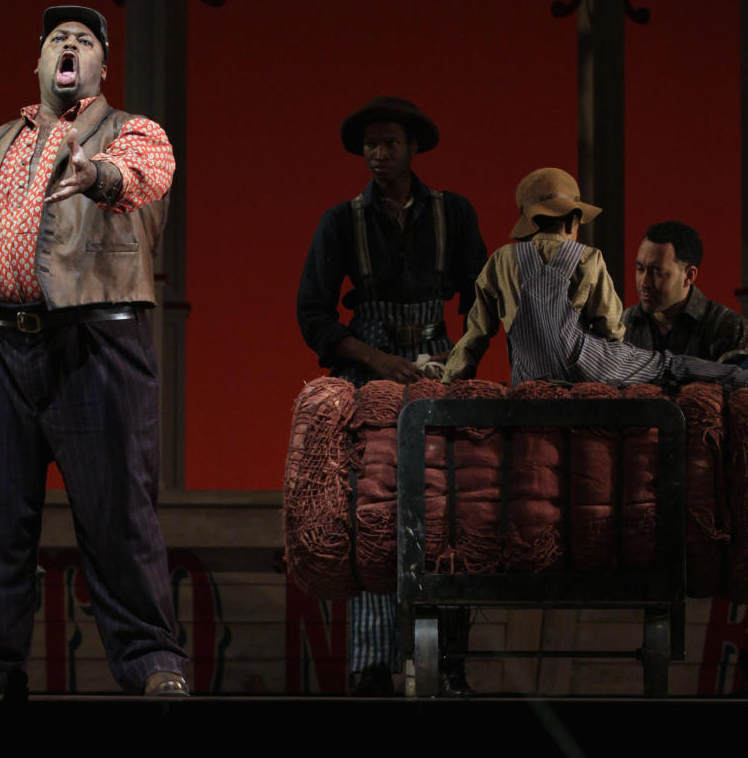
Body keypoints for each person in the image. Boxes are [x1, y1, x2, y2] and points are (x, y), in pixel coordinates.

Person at [0, 5, 188, 699]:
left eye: (85, 40)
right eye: (58, 38)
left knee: (118, 516)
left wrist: (99, 175)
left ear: (102, 66)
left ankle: (152, 665)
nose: (70, 46)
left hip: (98, 345)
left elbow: (144, 177)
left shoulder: (133, 133)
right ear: (39, 62)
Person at [297, 96, 487, 696]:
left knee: (453, 504)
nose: (380, 154)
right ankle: (374, 665)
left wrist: (462, 359)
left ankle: (449, 660)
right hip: (372, 366)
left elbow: (485, 297)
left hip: (439, 358)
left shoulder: (452, 214)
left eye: (391, 143)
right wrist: (375, 360)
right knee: (371, 507)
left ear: (413, 149)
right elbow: (313, 314)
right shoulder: (341, 221)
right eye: (370, 144)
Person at [443, 168, 748, 389]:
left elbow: (476, 334)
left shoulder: (501, 261)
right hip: (585, 365)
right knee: (669, 365)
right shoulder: (587, 257)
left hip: (528, 377)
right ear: (573, 219)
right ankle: (742, 378)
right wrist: (616, 359)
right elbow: (611, 327)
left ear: (529, 221)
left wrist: (450, 382)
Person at [623, 220, 748, 361]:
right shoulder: (624, 324)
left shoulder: (730, 328)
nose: (644, 283)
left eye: (657, 272)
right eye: (640, 269)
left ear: (689, 275)